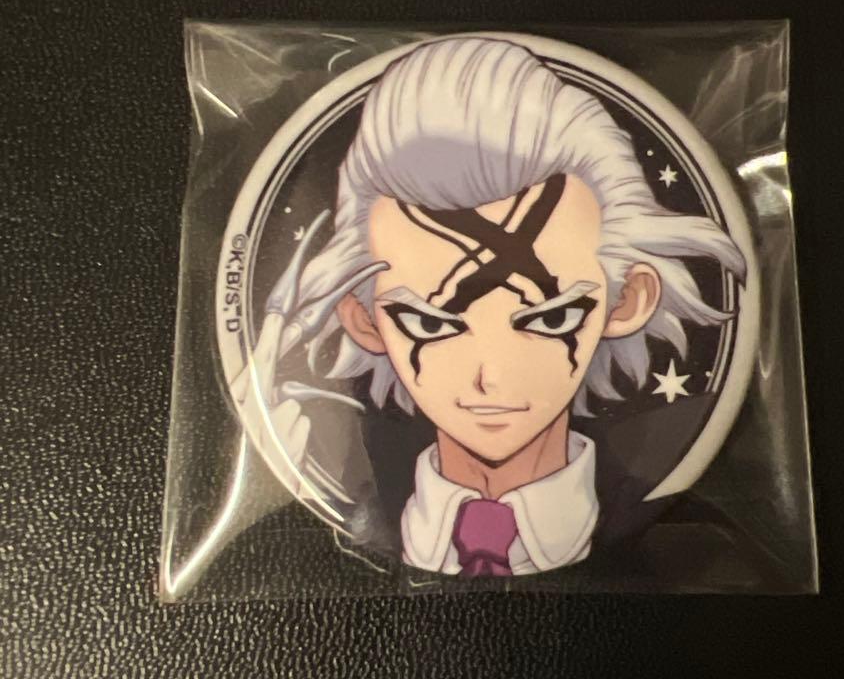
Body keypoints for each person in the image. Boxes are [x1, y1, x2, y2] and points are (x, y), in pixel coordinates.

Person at [289, 36, 746, 576]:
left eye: (551, 317)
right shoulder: (315, 522)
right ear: (363, 319)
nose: (491, 378)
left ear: (627, 300)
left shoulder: (685, 532)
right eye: (429, 323)